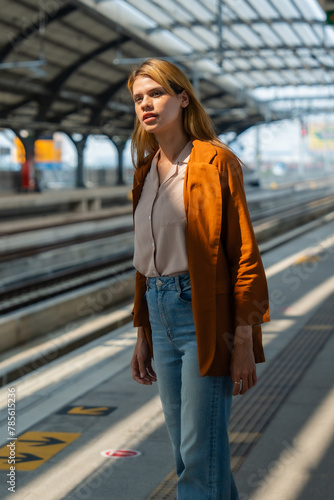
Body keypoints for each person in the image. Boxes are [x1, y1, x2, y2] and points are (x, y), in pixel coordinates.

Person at [129, 58, 270, 500]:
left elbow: (244, 253)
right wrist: (142, 330)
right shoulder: (144, 172)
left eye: (156, 94)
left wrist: (244, 338)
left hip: (204, 314)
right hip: (159, 307)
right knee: (190, 454)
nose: (146, 105)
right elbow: (144, 260)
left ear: (183, 98)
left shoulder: (216, 162)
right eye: (138, 98)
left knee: (198, 455)